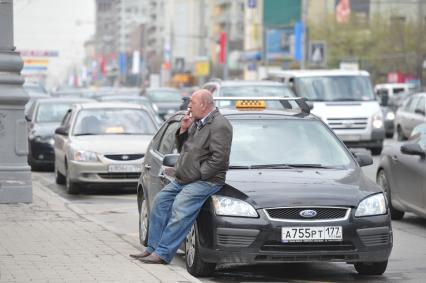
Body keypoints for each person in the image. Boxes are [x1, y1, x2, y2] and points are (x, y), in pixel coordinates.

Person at [130, 89, 233, 264]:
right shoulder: (197, 122)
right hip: (185, 178)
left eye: (192, 103)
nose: (189, 106)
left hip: (206, 181)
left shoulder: (220, 125)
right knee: (160, 202)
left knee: (180, 208)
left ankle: (162, 254)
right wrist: (183, 129)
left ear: (203, 104)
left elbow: (219, 160)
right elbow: (183, 148)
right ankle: (152, 248)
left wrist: (198, 174)